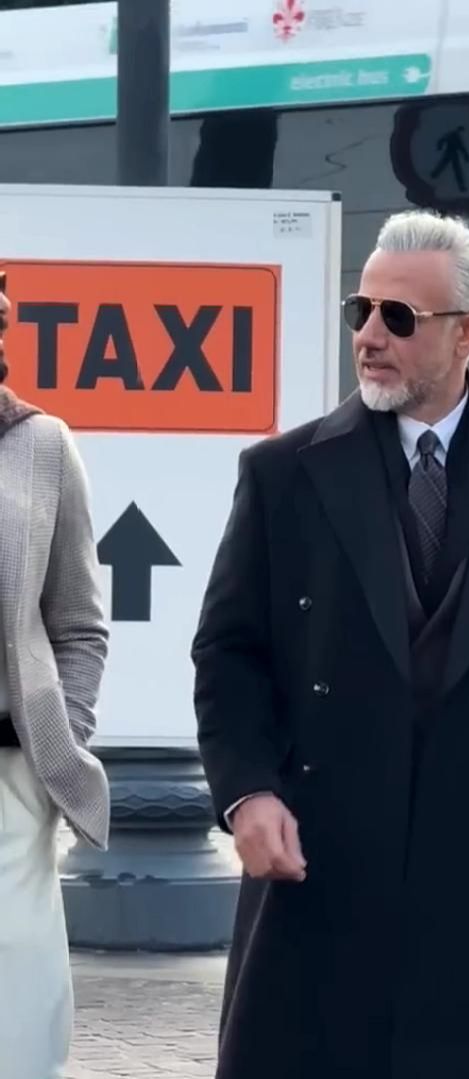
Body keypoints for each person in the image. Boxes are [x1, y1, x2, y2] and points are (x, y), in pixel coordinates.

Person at [190, 211, 469, 1079]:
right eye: (362, 310)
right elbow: (229, 652)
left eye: (398, 317)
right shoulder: (283, 473)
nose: (370, 336)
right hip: (319, 863)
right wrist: (248, 792)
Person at [0, 271, 111, 1079]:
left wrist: (59, 734)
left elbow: (78, 622)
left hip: (10, 780)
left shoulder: (42, 445)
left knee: (21, 1014)